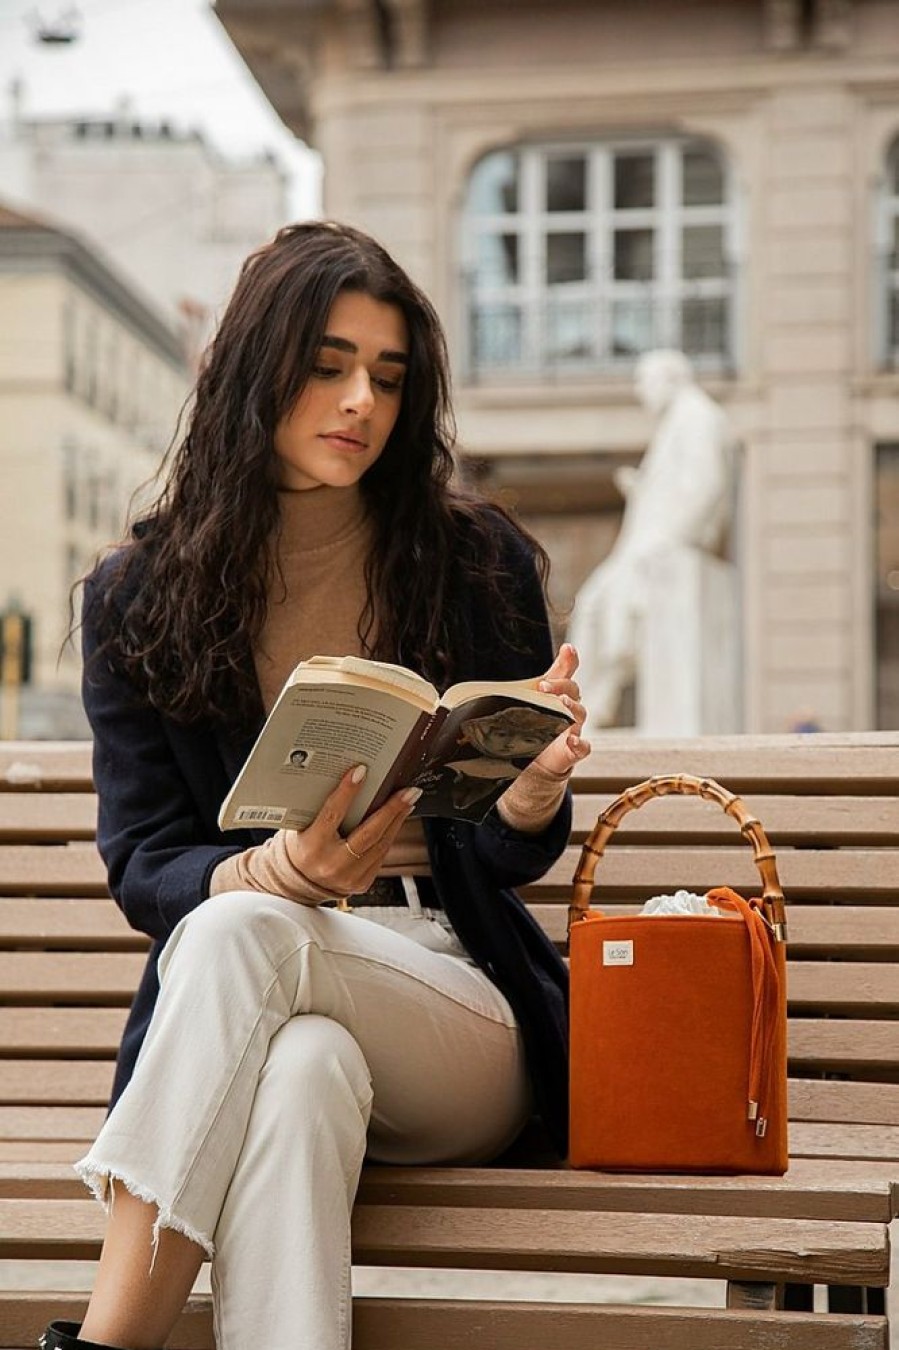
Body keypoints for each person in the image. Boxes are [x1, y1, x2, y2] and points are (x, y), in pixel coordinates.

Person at [43, 221, 589, 1350]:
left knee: (244, 929)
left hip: (453, 1005)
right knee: (296, 1072)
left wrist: (529, 794)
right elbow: (146, 863)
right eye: (328, 365)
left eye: (387, 378)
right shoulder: (138, 599)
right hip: (265, 1007)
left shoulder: (473, 561)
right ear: (256, 372)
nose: (360, 403)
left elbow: (503, 856)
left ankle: (105, 1345)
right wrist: (276, 868)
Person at [569, 348, 736, 728]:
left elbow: (707, 483)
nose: (641, 392)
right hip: (652, 546)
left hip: (663, 547)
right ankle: (595, 702)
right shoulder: (680, 420)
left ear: (670, 378)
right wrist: (641, 487)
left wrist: (671, 541)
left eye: (645, 382)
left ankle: (590, 706)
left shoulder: (697, 416)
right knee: (599, 607)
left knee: (598, 606)